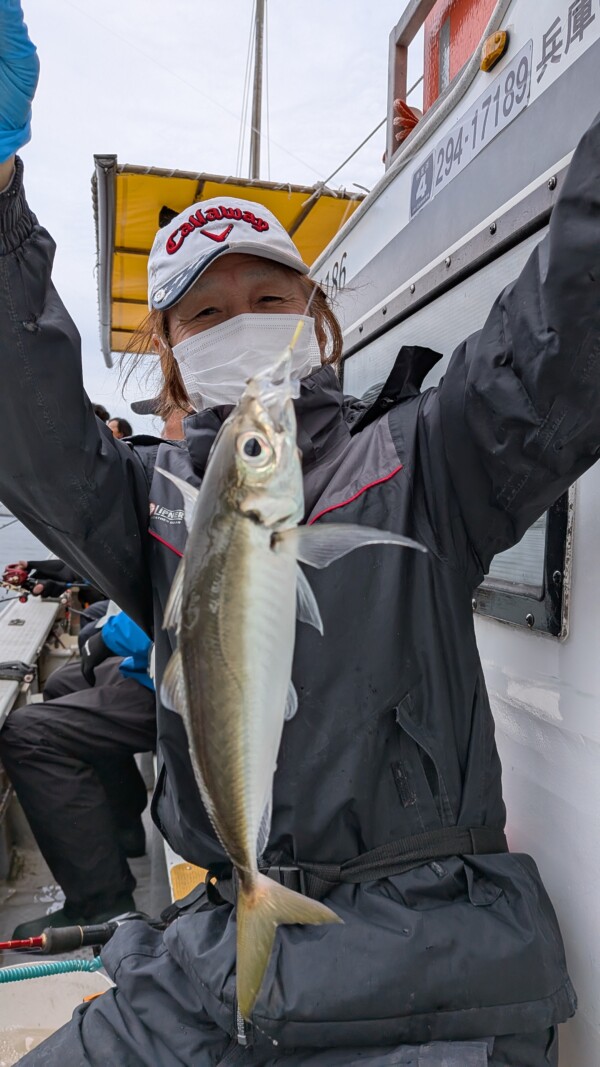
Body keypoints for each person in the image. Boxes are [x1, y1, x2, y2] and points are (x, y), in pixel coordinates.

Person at [0, 3, 596, 1063]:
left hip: (436, 965)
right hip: (217, 961)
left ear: (315, 318)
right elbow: (28, 421)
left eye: (269, 294)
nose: (243, 323)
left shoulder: (430, 457)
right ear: (171, 355)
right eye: (206, 314)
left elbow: (563, 330)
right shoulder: (151, 509)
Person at [0, 601, 157, 936]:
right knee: (63, 683)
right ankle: (124, 827)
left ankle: (102, 902)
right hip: (150, 669)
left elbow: (178, 615)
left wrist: (108, 634)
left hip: (179, 688)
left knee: (25, 733)